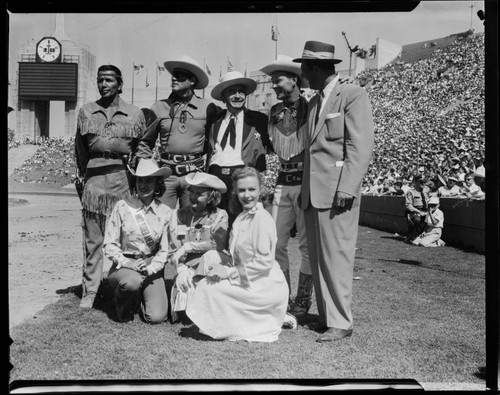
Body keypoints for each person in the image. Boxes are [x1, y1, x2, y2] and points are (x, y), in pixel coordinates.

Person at [293, 41, 375, 341]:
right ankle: (329, 317)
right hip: (315, 193)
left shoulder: (352, 94)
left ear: (316, 68)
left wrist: (348, 187)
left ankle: (341, 322)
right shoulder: (315, 102)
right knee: (318, 258)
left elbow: (360, 145)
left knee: (337, 258)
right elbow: (311, 151)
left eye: (304, 69)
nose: (302, 75)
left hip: (338, 192)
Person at [185, 167, 290, 342]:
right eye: (242, 190)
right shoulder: (241, 217)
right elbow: (236, 256)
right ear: (236, 192)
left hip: (264, 283)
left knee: (208, 287)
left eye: (252, 189)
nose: (247, 195)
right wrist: (222, 265)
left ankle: (267, 317)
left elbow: (264, 263)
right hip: (247, 275)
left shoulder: (263, 219)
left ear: (260, 190)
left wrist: (228, 273)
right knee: (209, 274)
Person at [75, 64, 147, 309]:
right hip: (94, 185)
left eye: (108, 80)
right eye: (100, 80)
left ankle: (122, 286)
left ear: (119, 83)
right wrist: (85, 181)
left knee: (125, 240)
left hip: (122, 183)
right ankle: (90, 290)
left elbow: (141, 152)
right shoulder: (86, 111)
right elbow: (80, 151)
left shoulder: (135, 114)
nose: (103, 84)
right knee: (92, 240)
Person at [260, 55, 313, 320]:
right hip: (282, 181)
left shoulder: (312, 106)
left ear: (294, 79)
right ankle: (283, 295)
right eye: (272, 82)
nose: (274, 86)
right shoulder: (274, 112)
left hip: (305, 182)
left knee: (306, 245)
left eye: (277, 81)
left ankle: (303, 301)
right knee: (276, 243)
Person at [134, 55, 219, 209]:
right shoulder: (159, 107)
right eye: (174, 76)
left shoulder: (208, 107)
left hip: (194, 175)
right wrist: (146, 172)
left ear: (192, 81)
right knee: (161, 220)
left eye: (180, 77)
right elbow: (145, 143)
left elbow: (213, 143)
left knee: (190, 223)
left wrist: (206, 173)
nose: (174, 79)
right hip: (167, 176)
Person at [102, 158, 173, 323]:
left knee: (156, 317)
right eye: (140, 180)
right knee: (131, 282)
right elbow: (110, 244)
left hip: (150, 266)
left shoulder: (165, 212)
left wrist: (151, 268)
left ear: (157, 183)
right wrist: (129, 263)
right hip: (125, 266)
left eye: (149, 180)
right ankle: (123, 307)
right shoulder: (122, 207)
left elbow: (164, 250)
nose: (144, 185)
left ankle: (141, 297)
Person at [206, 71, 273, 226]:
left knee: (242, 221)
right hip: (216, 176)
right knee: (217, 223)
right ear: (223, 97)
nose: (238, 96)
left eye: (241, 92)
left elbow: (273, 146)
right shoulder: (214, 120)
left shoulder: (258, 120)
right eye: (232, 92)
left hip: (241, 175)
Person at [168, 172, 229, 322]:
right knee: (186, 315)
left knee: (211, 256)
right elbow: (174, 250)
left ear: (211, 197)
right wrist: (181, 269)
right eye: (192, 192)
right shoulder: (179, 215)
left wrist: (188, 246)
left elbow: (217, 244)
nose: (193, 197)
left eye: (200, 194)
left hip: (211, 266)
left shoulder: (220, 215)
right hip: (188, 268)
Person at [404, 174, 428, 243]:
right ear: (416, 182)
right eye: (421, 182)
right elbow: (408, 205)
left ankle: (420, 237)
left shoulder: (426, 190)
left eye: (424, 182)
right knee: (417, 220)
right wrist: (418, 212)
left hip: (425, 210)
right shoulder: (411, 191)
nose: (423, 184)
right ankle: (410, 236)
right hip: (414, 211)